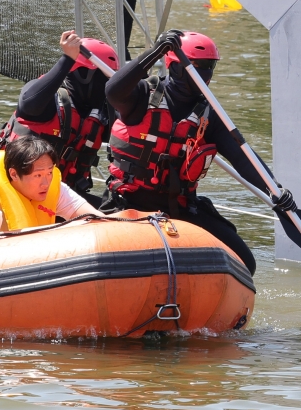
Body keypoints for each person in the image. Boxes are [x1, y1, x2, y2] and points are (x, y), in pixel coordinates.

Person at [103, 29, 258, 275]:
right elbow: (113, 91)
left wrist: (276, 193)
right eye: (197, 66)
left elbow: (243, 159)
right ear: (175, 66)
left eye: (210, 66)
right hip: (127, 201)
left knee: (245, 261)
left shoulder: (210, 115)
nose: (205, 73)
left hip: (180, 208)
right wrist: (156, 52)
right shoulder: (142, 95)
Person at [0, 31, 119, 203]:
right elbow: (28, 103)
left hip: (64, 196)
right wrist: (68, 59)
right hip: (19, 196)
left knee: (117, 210)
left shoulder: (101, 113)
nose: (108, 86)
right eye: (104, 79)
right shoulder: (46, 101)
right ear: (84, 75)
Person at [0, 136, 104, 235]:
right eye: (38, 175)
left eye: (49, 173)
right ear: (14, 174)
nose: (46, 183)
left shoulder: (53, 186)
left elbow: (95, 217)